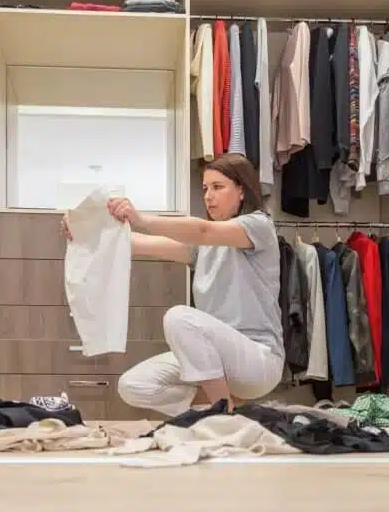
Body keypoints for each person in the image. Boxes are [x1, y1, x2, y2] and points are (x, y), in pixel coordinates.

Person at [61, 153, 284, 416]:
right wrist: (85, 233)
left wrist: (141, 218)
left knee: (179, 317)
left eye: (218, 187)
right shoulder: (203, 249)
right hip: (213, 357)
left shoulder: (258, 226)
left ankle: (224, 416)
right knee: (133, 385)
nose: (208, 196)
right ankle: (225, 406)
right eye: (205, 188)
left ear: (242, 191)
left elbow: (204, 231)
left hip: (257, 360)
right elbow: (135, 245)